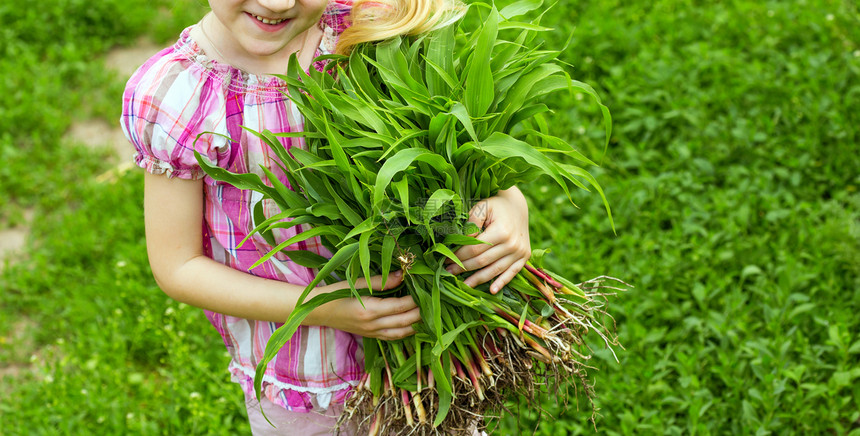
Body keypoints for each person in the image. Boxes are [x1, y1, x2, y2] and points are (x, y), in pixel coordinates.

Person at [121, 0, 531, 434]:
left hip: (429, 347)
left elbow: (449, 141)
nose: (277, 3)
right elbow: (178, 266)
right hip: (306, 378)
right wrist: (325, 308)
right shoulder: (178, 96)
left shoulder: (370, 31)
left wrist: (508, 201)